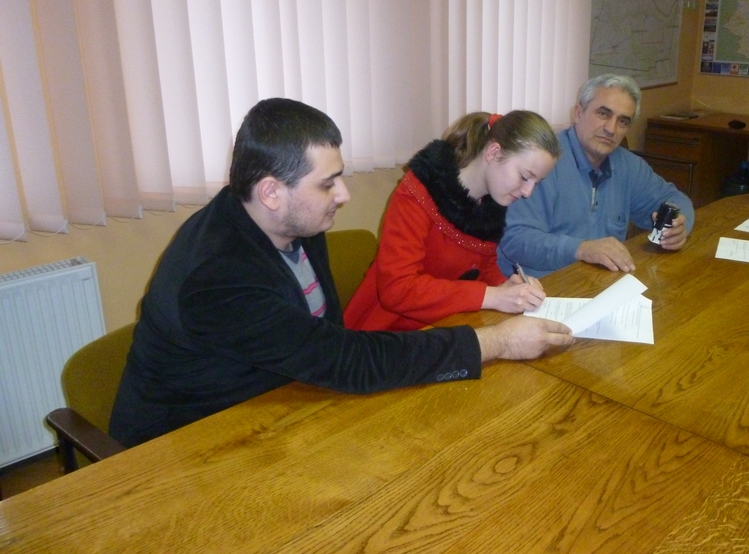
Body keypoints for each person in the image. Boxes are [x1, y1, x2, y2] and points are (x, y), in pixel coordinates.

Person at [109, 98, 573, 448]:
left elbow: (329, 343)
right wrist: (498, 342)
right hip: (186, 446)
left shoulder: (294, 219)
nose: (344, 194)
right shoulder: (218, 278)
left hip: (284, 406)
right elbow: (345, 358)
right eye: (327, 183)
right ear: (271, 192)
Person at [344, 110, 560, 331]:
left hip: (447, 326)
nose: (527, 192)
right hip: (388, 330)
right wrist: (492, 296)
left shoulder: (491, 203)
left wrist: (505, 286)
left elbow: (481, 269)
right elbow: (397, 289)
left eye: (536, 182)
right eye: (524, 177)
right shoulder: (419, 192)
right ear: (493, 153)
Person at [497, 74, 695, 279]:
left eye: (623, 121)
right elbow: (515, 240)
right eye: (603, 113)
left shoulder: (628, 166)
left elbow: (675, 199)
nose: (611, 129)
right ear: (578, 113)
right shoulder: (541, 163)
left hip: (600, 282)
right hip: (541, 285)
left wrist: (679, 227)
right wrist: (581, 249)